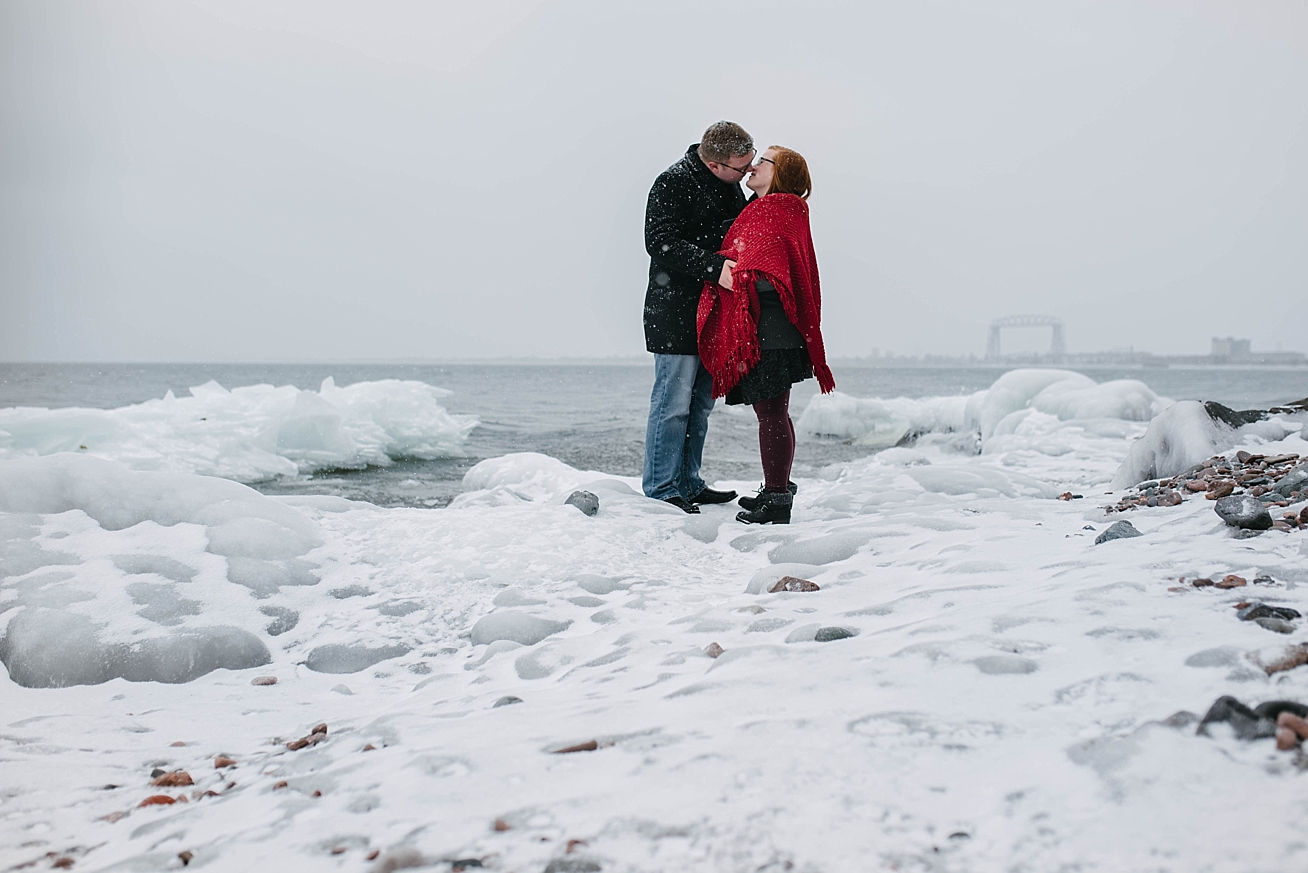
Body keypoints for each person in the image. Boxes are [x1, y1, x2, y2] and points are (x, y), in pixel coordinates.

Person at [697, 145, 835, 524]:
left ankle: (776, 501)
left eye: (763, 161)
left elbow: (765, 270)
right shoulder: (778, 210)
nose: (754, 166)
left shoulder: (775, 210)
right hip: (776, 327)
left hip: (769, 327)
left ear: (781, 172)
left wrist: (734, 278)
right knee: (776, 413)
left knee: (771, 415)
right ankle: (778, 488)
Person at [641, 122, 755, 513]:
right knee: (672, 404)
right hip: (673, 311)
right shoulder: (670, 183)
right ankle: (661, 488)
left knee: (701, 405)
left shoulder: (730, 183)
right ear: (713, 163)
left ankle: (689, 482)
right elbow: (659, 242)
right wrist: (712, 266)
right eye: (742, 169)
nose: (747, 173)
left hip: (712, 312)